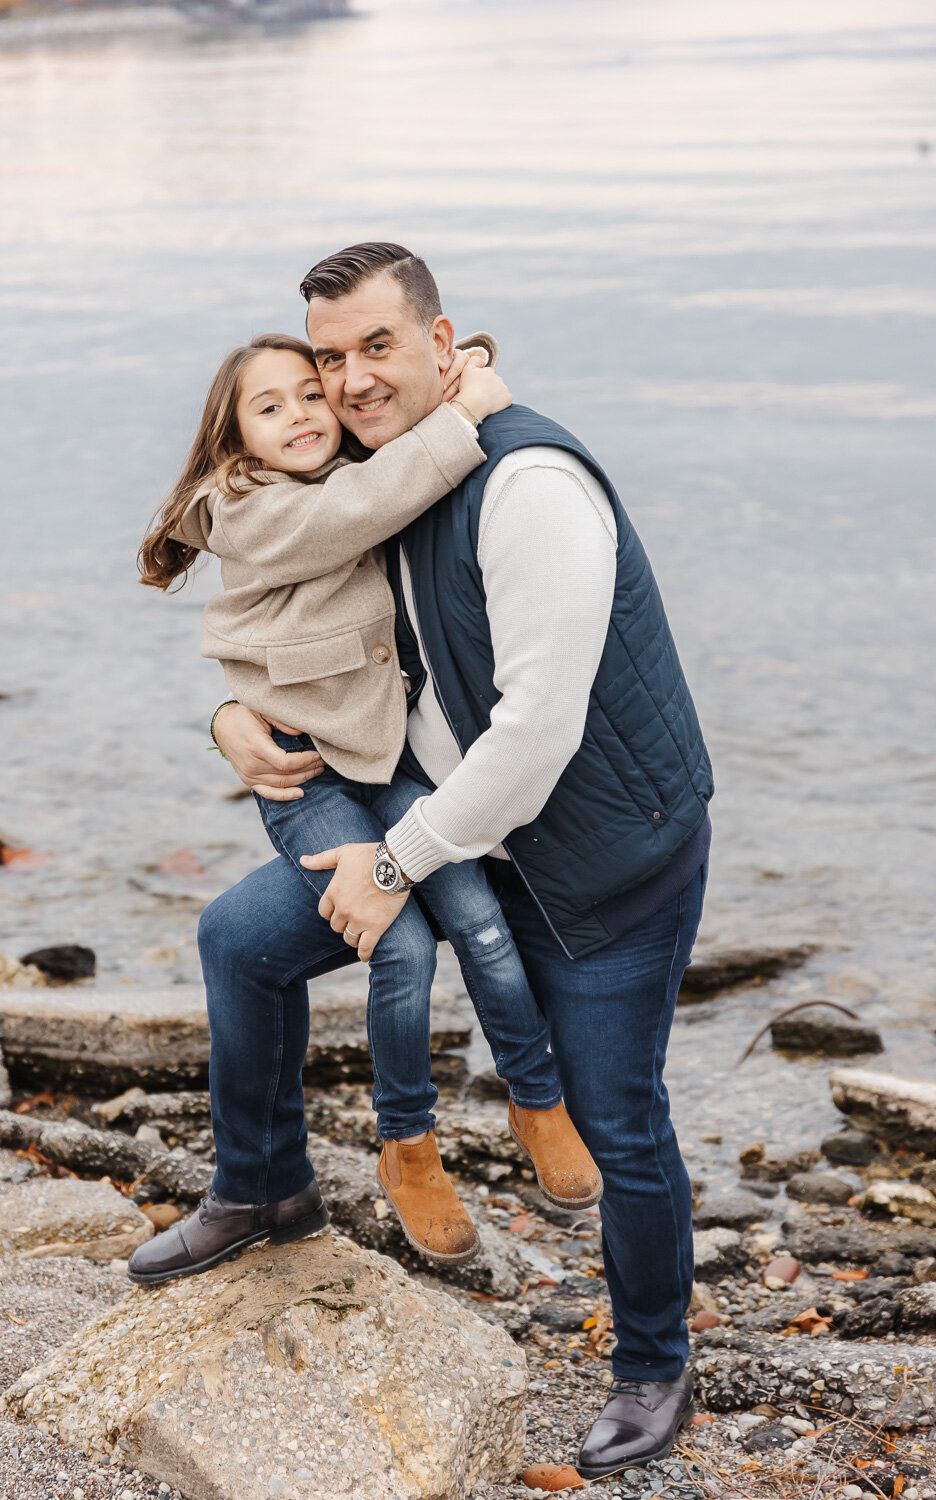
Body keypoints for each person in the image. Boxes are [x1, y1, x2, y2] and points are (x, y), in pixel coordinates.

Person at [137, 241, 713, 1481]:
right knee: (240, 942)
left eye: (376, 348)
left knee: (618, 1116)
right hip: (452, 825)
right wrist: (232, 722)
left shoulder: (530, 485)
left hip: (601, 852)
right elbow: (290, 621)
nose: (347, 381)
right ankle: (266, 1187)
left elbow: (538, 731)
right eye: (329, 358)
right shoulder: (365, 472)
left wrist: (391, 863)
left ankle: (655, 1364)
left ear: (445, 344)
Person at [134, 331, 601, 1271]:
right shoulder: (259, 506)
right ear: (234, 443)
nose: (308, 412)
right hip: (324, 769)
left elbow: (392, 424)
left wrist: (462, 376)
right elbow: (352, 515)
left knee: (466, 927)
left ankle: (534, 1100)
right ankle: (320, 1170)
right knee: (383, 942)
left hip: (416, 771)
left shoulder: (393, 471)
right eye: (272, 407)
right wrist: (229, 715)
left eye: (315, 393)